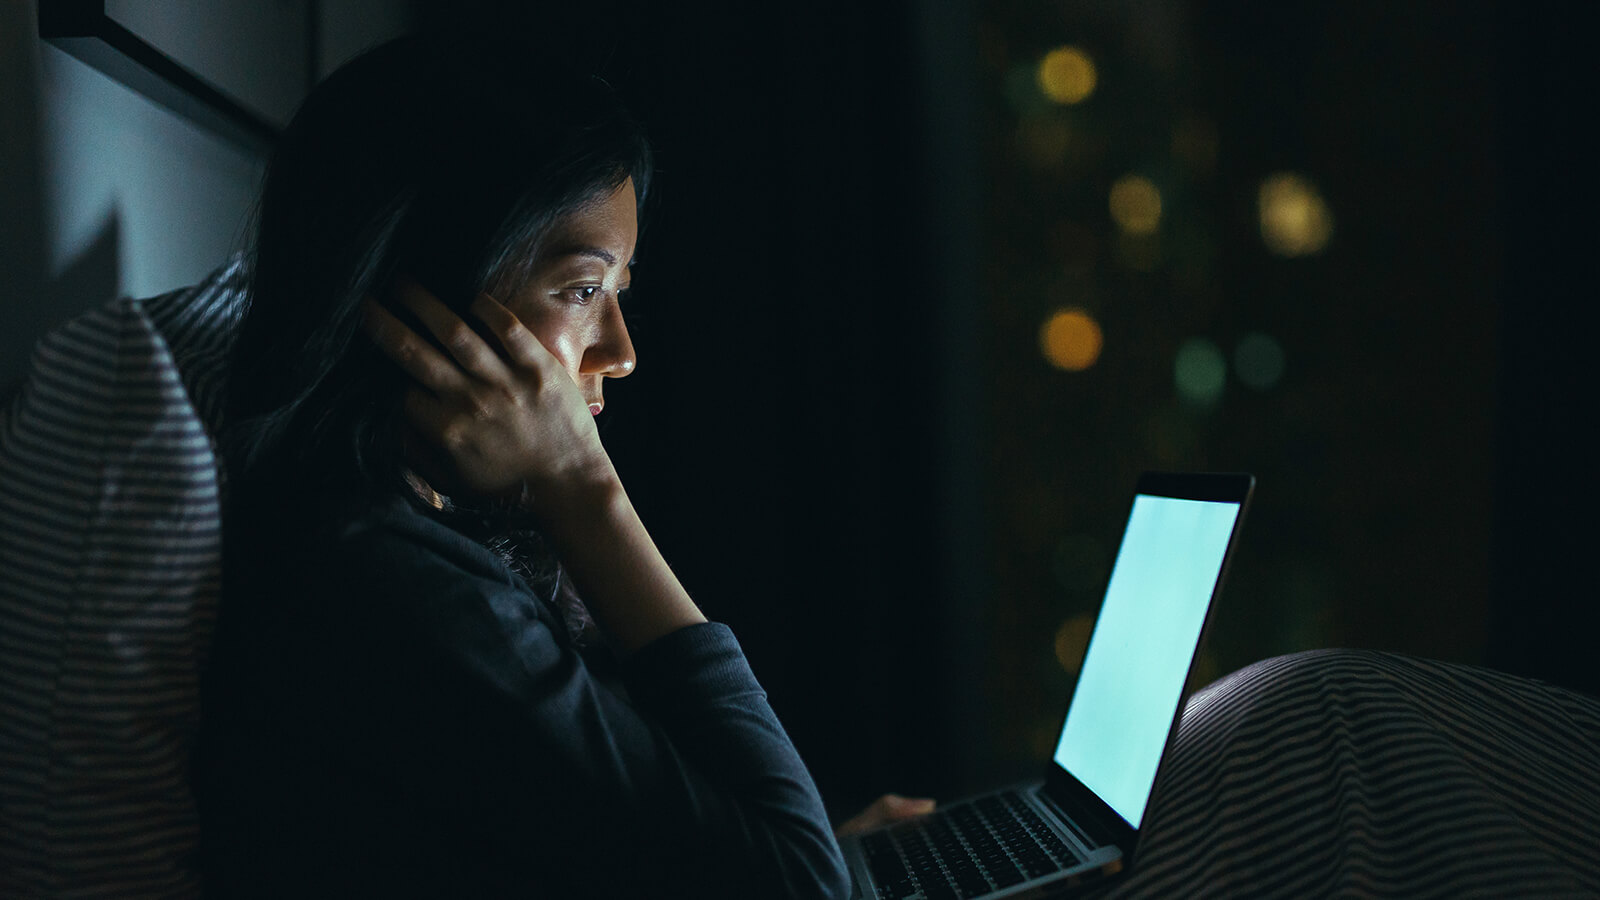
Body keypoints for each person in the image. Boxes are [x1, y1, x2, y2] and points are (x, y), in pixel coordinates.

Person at [195, 35, 926, 898]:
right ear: (416, 292)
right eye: (583, 291)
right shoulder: (395, 594)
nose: (619, 351)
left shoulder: (421, 544)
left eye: (619, 293)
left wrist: (806, 851)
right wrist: (584, 488)